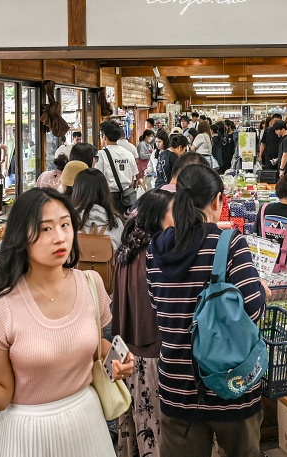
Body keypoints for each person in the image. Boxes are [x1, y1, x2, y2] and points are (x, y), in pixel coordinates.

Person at [0, 188, 134, 457]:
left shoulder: (89, 283)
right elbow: (2, 394)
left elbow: (94, 350)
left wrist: (115, 362)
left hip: (87, 421)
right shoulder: (3, 306)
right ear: (22, 236)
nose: (59, 237)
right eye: (45, 229)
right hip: (27, 433)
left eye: (65, 225)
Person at [147, 165, 268, 457]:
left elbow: (158, 307)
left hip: (176, 386)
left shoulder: (155, 250)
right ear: (217, 201)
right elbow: (253, 309)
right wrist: (262, 290)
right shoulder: (229, 243)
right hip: (231, 385)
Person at [113, 189, 173, 457]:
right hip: (154, 357)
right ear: (157, 218)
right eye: (174, 214)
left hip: (128, 356)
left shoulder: (128, 252)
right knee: (157, 437)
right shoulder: (156, 256)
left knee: (139, 435)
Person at [72, 168, 125, 251]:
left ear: (77, 191)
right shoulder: (116, 222)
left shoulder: (69, 220)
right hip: (110, 264)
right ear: (105, 191)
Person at [94, 120, 138, 214]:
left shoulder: (101, 155)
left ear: (104, 137)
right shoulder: (128, 154)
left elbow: (98, 178)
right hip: (127, 196)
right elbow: (132, 178)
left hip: (109, 197)